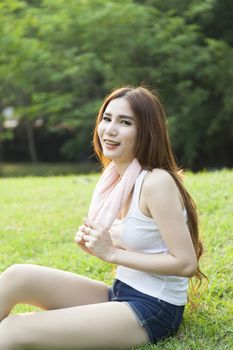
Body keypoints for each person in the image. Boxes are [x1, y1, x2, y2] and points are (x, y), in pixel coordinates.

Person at [0, 86, 206, 349]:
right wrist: (98, 248)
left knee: (13, 330)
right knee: (18, 276)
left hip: (153, 308)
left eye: (125, 122)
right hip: (120, 292)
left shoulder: (156, 182)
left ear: (146, 131)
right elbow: (144, 244)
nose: (110, 129)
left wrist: (111, 253)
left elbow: (186, 264)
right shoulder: (117, 180)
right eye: (107, 119)